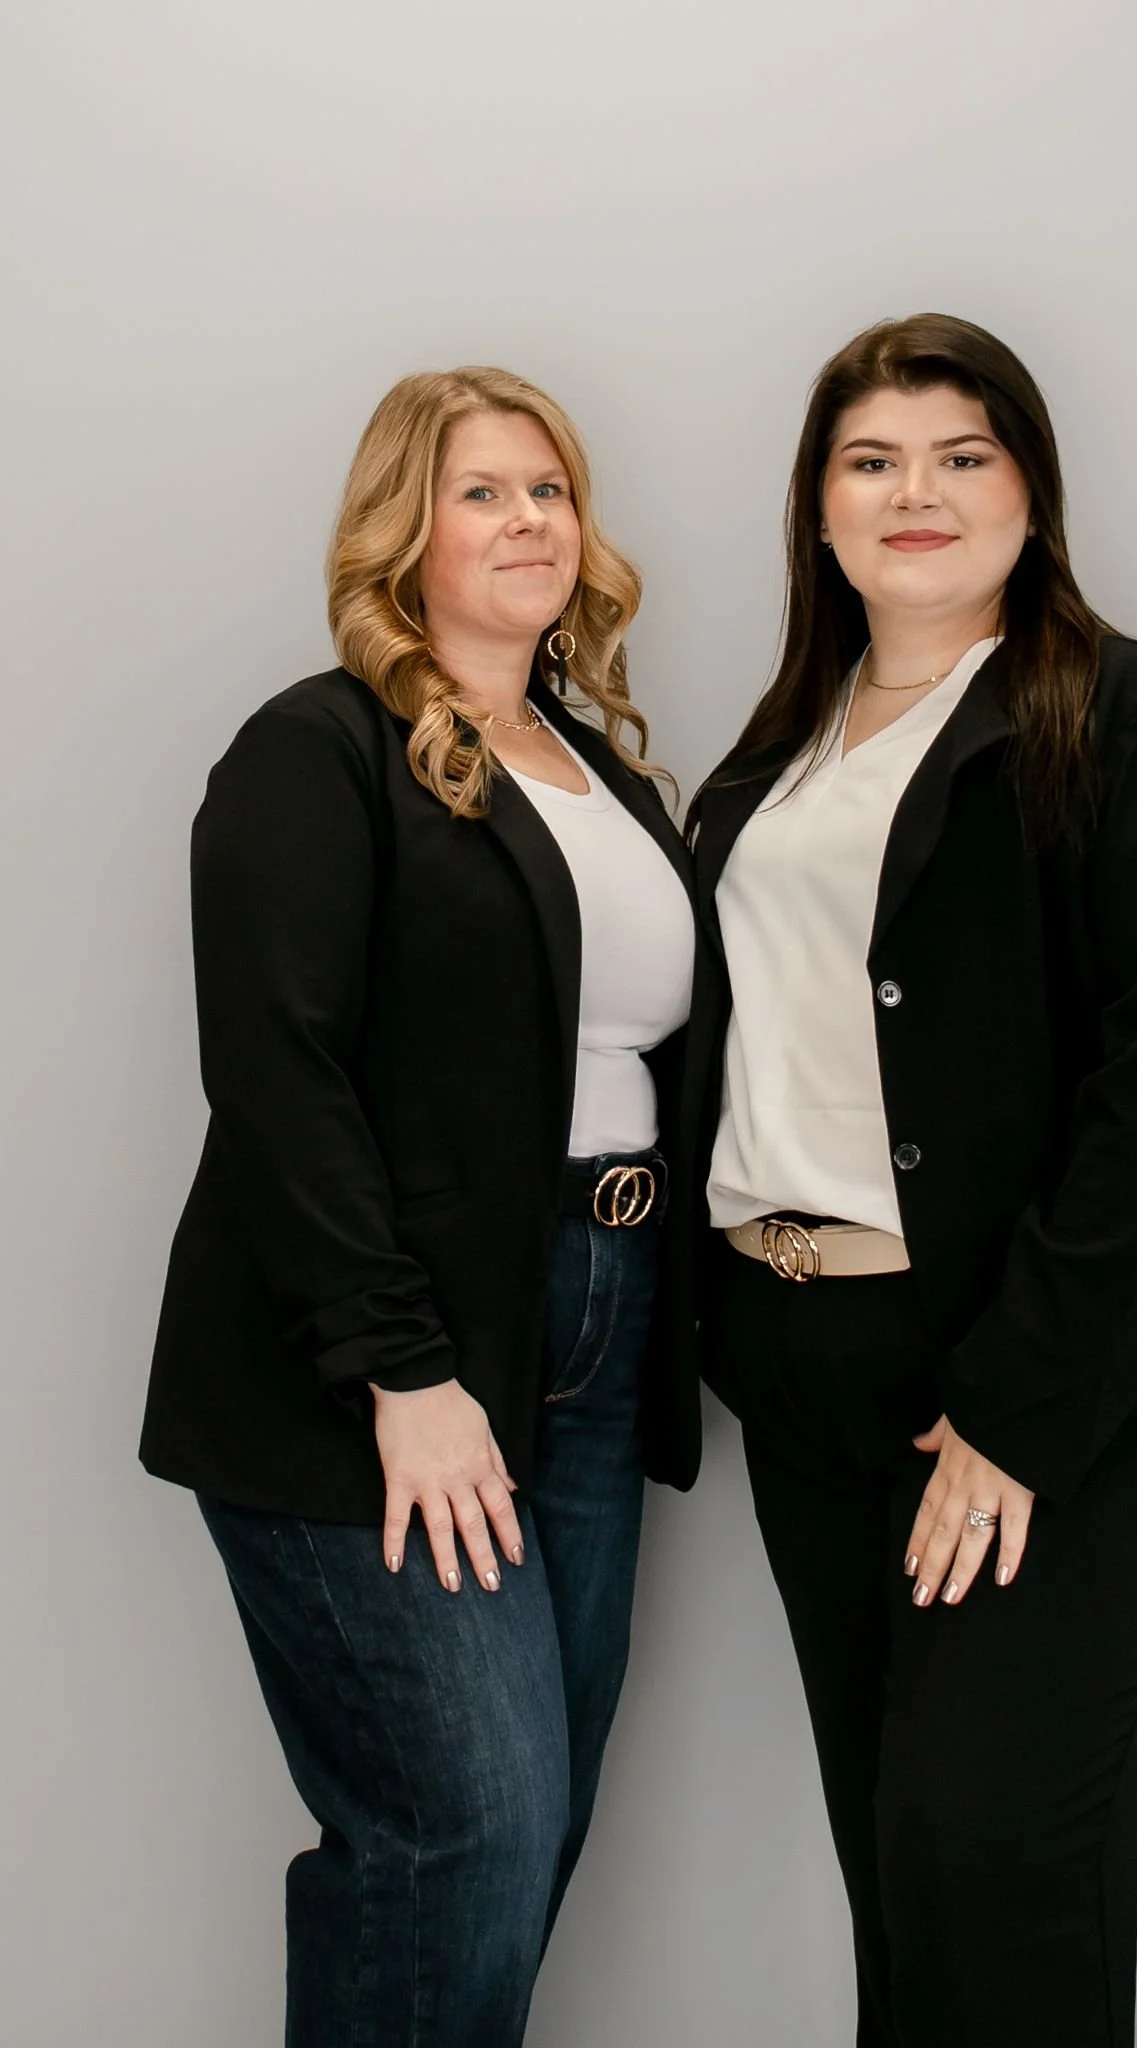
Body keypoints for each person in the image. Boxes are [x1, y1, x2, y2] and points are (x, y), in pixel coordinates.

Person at [683, 313, 1137, 2047]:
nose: (915, 493)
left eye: (963, 455)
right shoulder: (779, 754)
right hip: (811, 1379)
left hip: (1051, 1390)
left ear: (1033, 489)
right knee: (901, 1888)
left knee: (991, 1882)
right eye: (871, 461)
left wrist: (1018, 1411)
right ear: (818, 508)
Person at [139, 365, 699, 2047]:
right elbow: (278, 1073)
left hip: (598, 1332)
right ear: (402, 531)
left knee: (535, 1831)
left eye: (551, 490)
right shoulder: (318, 750)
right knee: (468, 1828)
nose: (530, 521)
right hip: (388, 1355)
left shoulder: (601, 772)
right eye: (481, 492)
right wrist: (402, 1366)